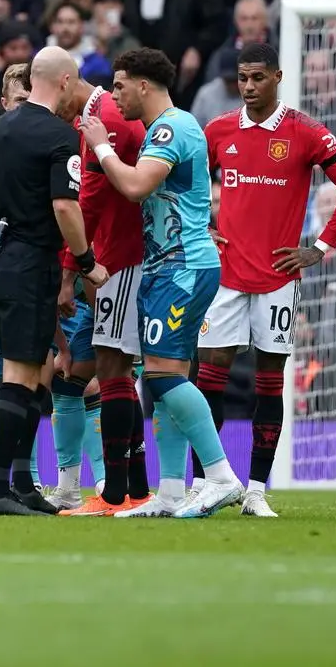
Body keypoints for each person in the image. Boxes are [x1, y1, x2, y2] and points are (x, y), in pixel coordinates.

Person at [196, 42, 336, 516]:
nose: (248, 87)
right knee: (209, 379)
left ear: (278, 77)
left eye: (257, 78)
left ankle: (255, 490)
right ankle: (206, 482)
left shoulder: (305, 132)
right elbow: (181, 181)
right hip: (225, 277)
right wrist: (199, 228)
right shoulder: (219, 129)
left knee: (269, 383)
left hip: (278, 278)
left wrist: (319, 247)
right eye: (242, 78)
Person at [81, 47, 244, 518]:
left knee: (159, 374)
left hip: (183, 268)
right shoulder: (164, 129)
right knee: (164, 375)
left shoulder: (173, 126)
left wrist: (101, 145)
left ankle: (219, 476)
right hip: (165, 267)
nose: (114, 96)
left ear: (143, 85)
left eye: (118, 86)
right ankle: (171, 492)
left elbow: (134, 186)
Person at [0, 46, 109, 516]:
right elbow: (66, 207)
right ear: (66, 82)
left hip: (1, 260)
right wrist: (86, 262)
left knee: (30, 371)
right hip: (31, 262)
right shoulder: (59, 135)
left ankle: (20, 487)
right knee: (23, 377)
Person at [51, 77, 153, 515]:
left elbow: (87, 204)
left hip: (119, 258)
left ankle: (113, 494)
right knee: (119, 369)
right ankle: (136, 487)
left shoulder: (105, 119)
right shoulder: (100, 116)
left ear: (64, 83)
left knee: (113, 367)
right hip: (122, 255)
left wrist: (70, 271)